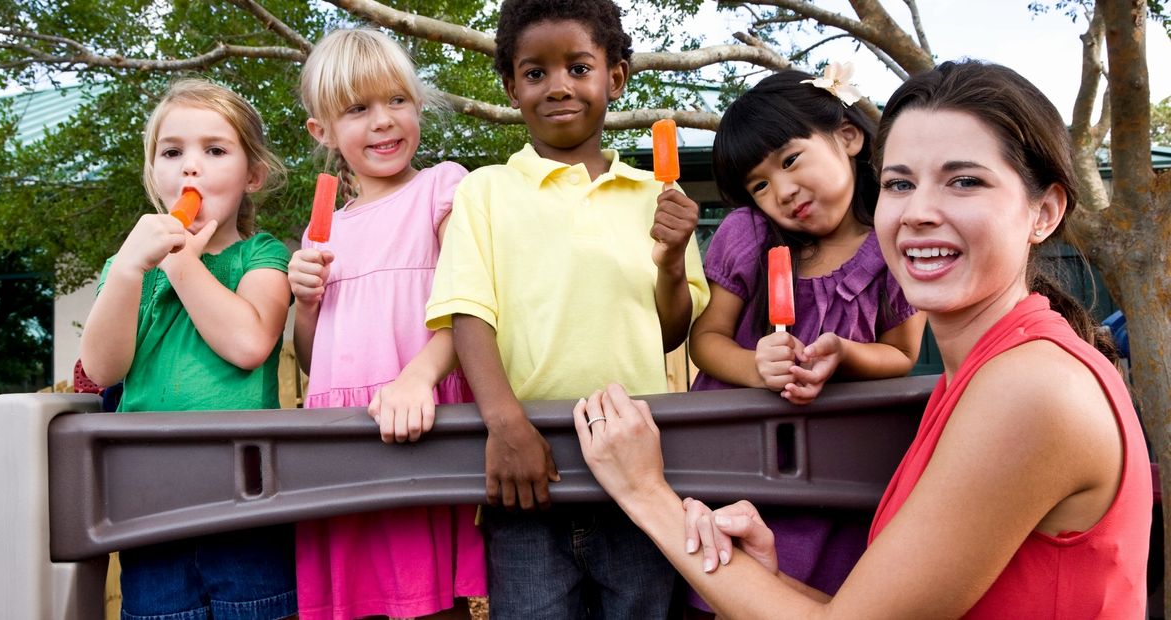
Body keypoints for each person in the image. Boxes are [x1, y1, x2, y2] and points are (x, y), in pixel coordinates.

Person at [574, 60, 1152, 618]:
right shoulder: (986, 375)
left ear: (1044, 212)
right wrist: (770, 577)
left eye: (965, 181)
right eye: (900, 183)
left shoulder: (1032, 390)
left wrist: (647, 493)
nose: (919, 211)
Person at [424, 0, 709, 616]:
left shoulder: (656, 195)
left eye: (579, 67)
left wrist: (669, 261)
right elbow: (468, 311)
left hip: (637, 476)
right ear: (510, 86)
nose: (558, 87)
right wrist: (504, 424)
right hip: (529, 475)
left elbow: (670, 332)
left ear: (616, 78)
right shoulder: (485, 192)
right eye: (535, 73)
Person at [686, 67, 925, 599]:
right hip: (736, 465)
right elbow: (706, 338)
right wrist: (755, 366)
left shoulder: (895, 242)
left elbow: (902, 353)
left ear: (848, 136)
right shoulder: (748, 233)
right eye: (760, 184)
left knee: (823, 596)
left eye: (791, 160)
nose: (783, 191)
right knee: (722, 592)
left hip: (836, 475)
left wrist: (846, 354)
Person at [80, 79, 296, 619]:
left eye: (214, 150)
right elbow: (104, 368)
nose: (189, 168)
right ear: (154, 172)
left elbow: (249, 343)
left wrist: (181, 262)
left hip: (246, 497)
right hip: (149, 498)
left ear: (253, 177)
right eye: (172, 152)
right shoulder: (127, 268)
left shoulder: (261, 255)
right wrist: (131, 269)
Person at [288, 28, 485, 620]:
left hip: (420, 423)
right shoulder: (323, 232)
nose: (383, 121)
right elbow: (307, 358)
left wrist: (417, 377)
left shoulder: (442, 188)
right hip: (341, 436)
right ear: (321, 131)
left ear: (418, 105)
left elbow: (471, 305)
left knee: (425, 602)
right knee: (355, 603)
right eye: (358, 108)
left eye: (397, 100)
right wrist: (305, 306)